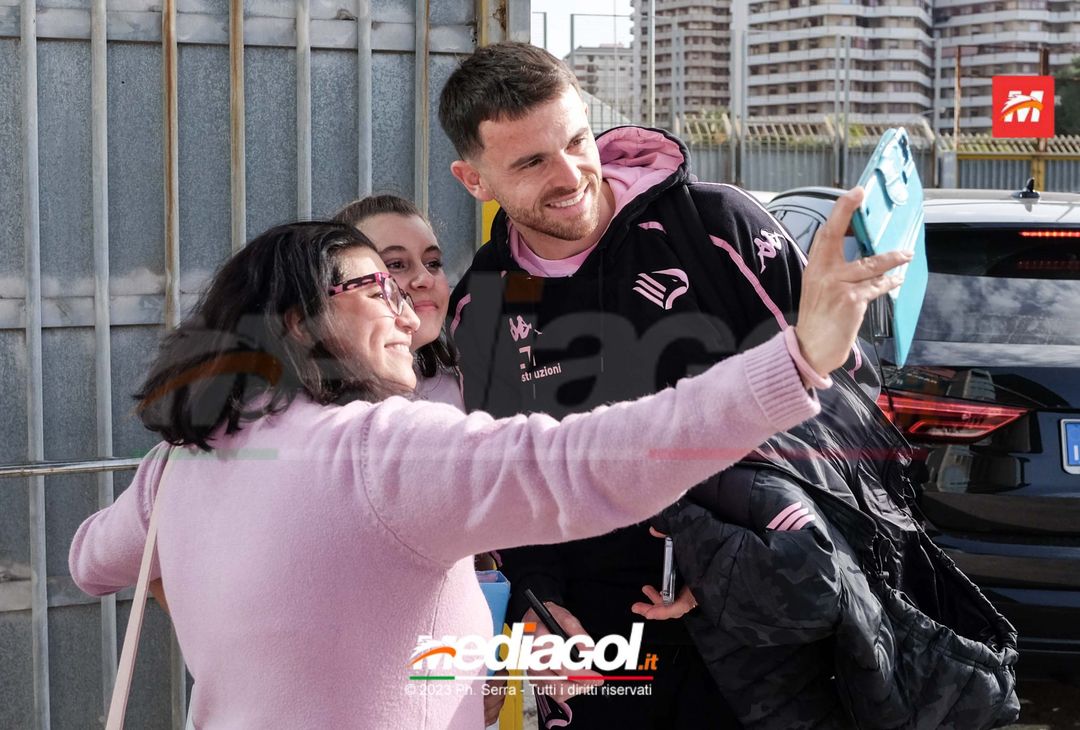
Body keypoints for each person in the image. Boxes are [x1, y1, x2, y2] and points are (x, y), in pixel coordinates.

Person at [68, 213, 904, 729]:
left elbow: (89, 561)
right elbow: (592, 462)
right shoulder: (383, 450)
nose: (407, 309)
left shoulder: (179, 463)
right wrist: (798, 359)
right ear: (299, 320)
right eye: (376, 286)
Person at [439, 41, 865, 727]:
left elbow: (840, 407)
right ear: (474, 180)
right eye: (531, 162)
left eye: (576, 141)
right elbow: (511, 484)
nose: (570, 175)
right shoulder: (484, 306)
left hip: (765, 621)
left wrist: (726, 552)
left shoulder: (717, 228)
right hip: (605, 643)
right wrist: (538, 600)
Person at [333, 195, 463, 409]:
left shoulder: (467, 388)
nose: (425, 279)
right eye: (395, 264)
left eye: (433, 263)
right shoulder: (306, 408)